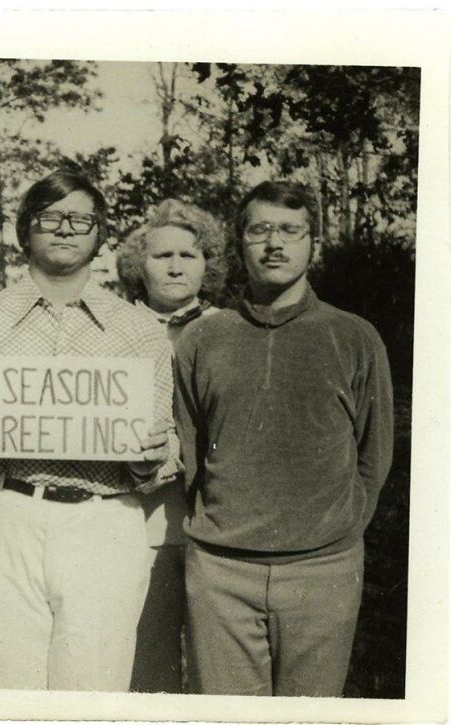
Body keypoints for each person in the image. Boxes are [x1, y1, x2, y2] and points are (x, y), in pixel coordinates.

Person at [0, 169, 179, 692]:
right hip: (0, 514)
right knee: (2, 689)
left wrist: (154, 454)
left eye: (80, 219)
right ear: (25, 230)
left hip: (104, 521)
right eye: (49, 218)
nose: (64, 229)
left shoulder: (139, 329)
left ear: (99, 234)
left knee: (96, 690)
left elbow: (166, 442)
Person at [174, 181, 394, 697]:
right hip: (222, 573)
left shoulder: (354, 336)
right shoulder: (203, 338)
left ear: (312, 242)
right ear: (240, 243)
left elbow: (374, 453)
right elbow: (188, 449)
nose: (275, 243)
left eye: (291, 231)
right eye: (260, 230)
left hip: (324, 569)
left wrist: (338, 533)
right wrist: (218, 531)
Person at [115, 198, 224, 693]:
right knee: (147, 665)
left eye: (189, 254)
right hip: (138, 524)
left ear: (208, 263)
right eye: (163, 256)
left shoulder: (230, 328)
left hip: (216, 528)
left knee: (216, 668)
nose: (177, 266)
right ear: (140, 265)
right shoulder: (112, 329)